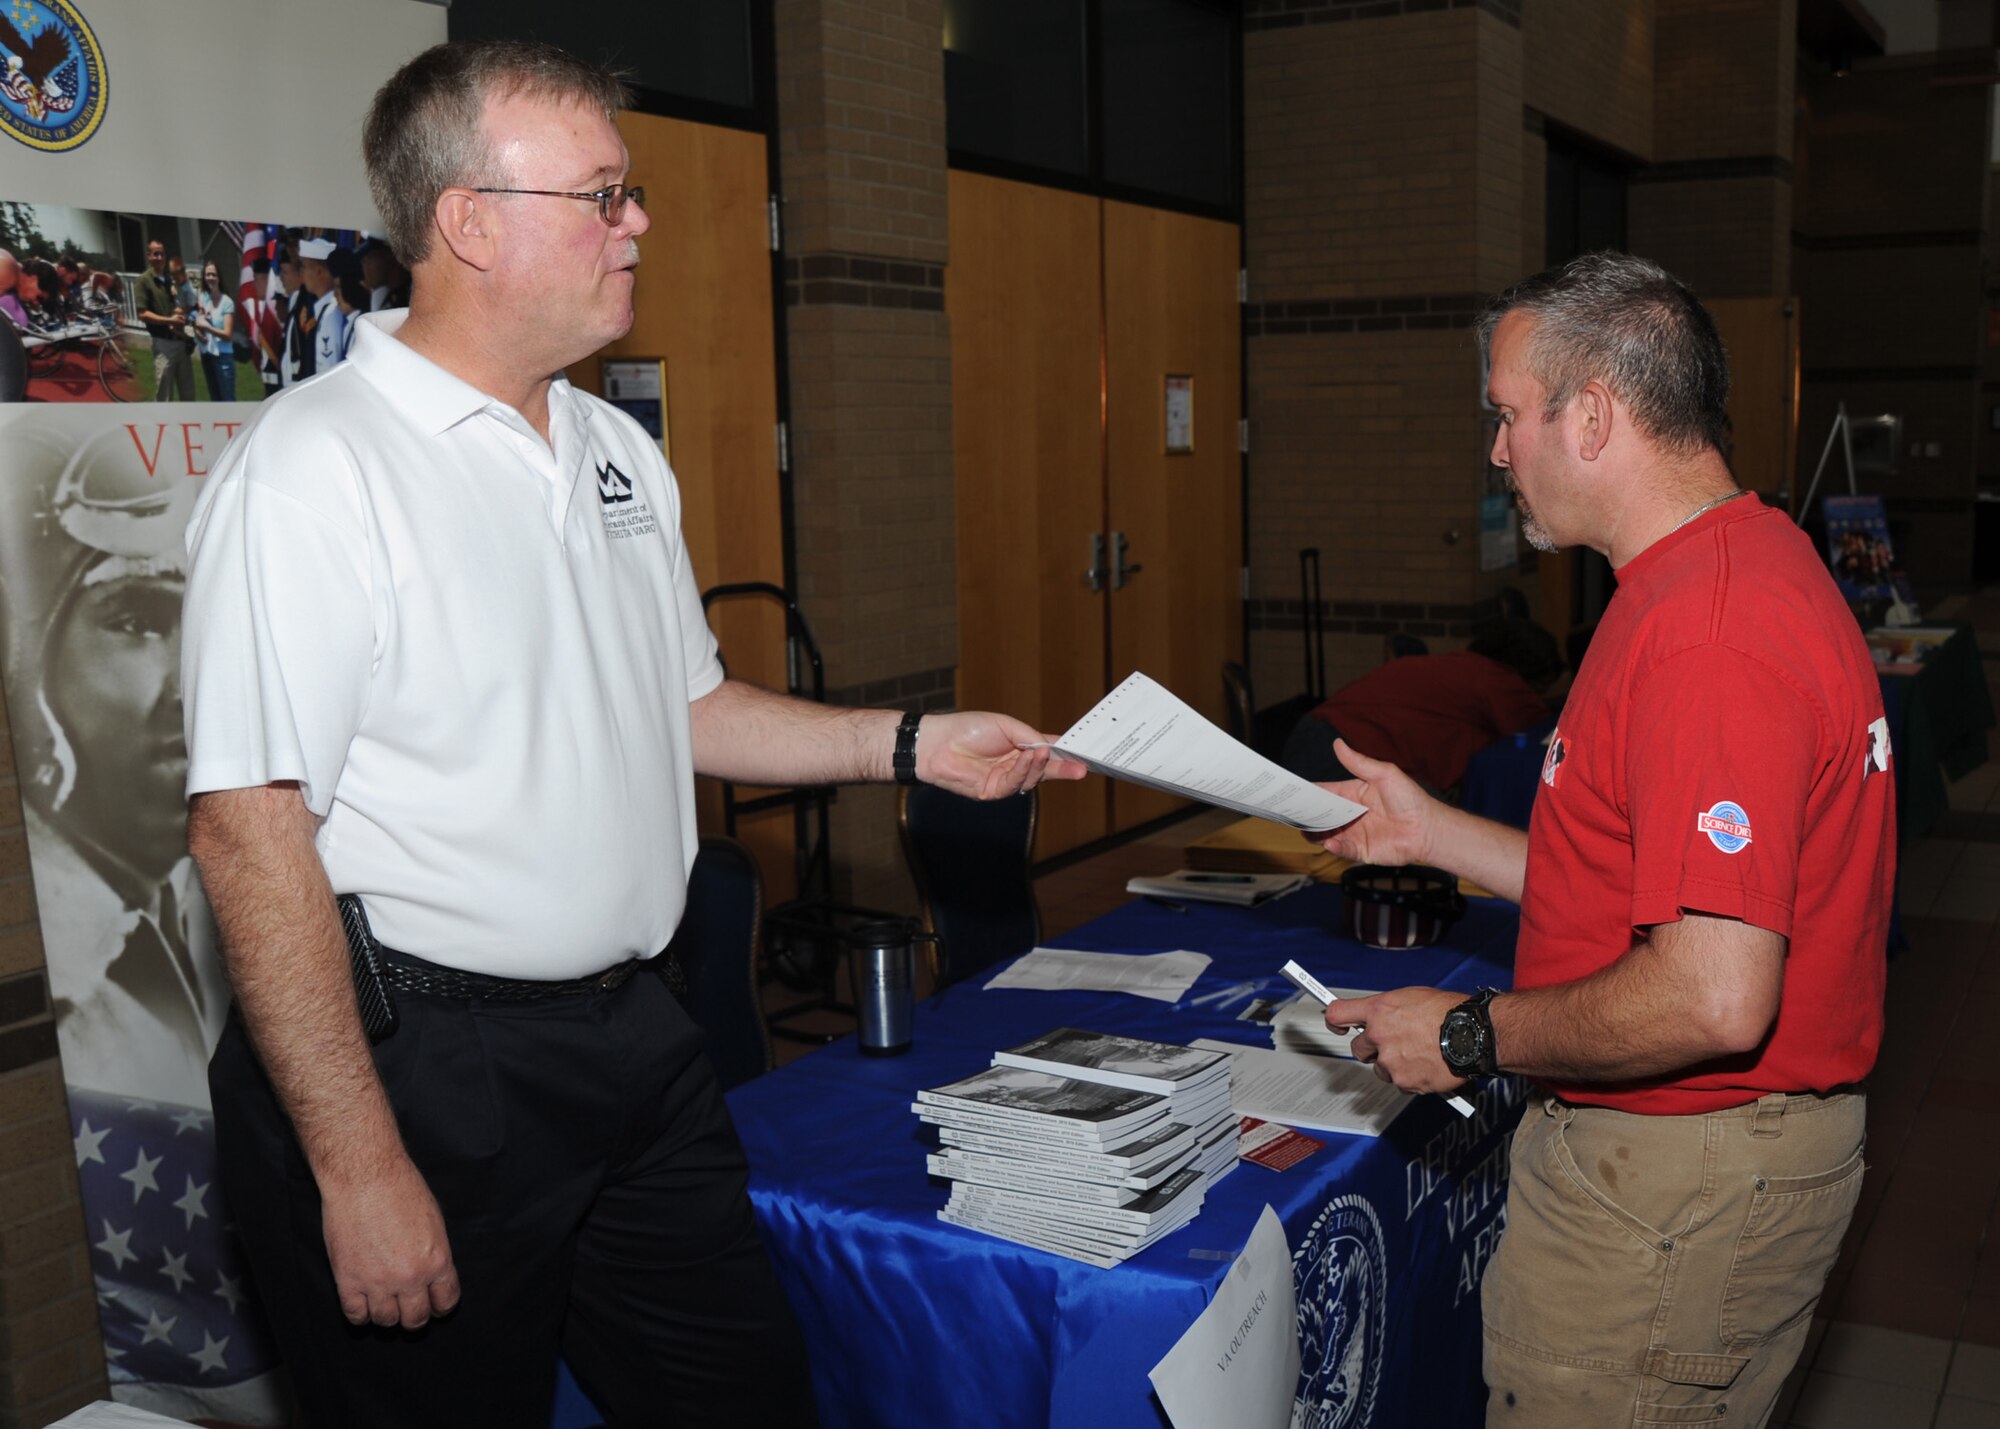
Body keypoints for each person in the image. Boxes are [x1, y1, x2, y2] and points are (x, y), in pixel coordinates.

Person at [179, 37, 1084, 1428]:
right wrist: (358, 1166)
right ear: (469, 223)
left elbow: (688, 706)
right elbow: (248, 832)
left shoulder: (614, 452)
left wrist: (909, 744)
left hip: (635, 1037)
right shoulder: (314, 471)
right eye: (603, 194)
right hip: (418, 1068)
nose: (639, 222)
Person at [1313, 253, 1892, 1428]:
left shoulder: (1707, 634)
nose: (1494, 450)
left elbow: (1711, 993)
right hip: (1699, 1168)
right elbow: (1645, 893)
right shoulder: (1715, 571)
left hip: (1677, 1186)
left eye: (1506, 414)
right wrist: (1433, 832)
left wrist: (1470, 1034)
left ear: (1591, 415)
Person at [1278, 616, 1562, 791]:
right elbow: (1541, 735)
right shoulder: (1496, 680)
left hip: (1319, 737)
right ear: (1528, 674)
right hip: (1348, 755)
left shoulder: (1459, 667)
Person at [133, 239, 195, 399]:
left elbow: (179, 304)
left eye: (162, 253)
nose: (159, 257)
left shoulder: (170, 279)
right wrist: (170, 321)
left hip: (181, 342)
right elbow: (143, 314)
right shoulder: (143, 281)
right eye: (156, 254)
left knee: (188, 394)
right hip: (163, 345)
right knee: (164, 396)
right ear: (149, 256)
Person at [296, 236, 347, 375]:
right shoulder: (324, 311)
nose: (301, 274)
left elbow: (328, 372)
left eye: (305, 267)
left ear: (319, 271)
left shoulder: (331, 314)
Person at [190, 259, 237, 400]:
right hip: (208, 356)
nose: (210, 278)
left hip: (223, 358)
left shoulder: (227, 302)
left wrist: (208, 328)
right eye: (207, 274)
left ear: (219, 277)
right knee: (215, 402)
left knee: (227, 401)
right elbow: (197, 321)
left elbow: (228, 335)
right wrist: (199, 332)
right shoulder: (204, 298)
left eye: (213, 275)